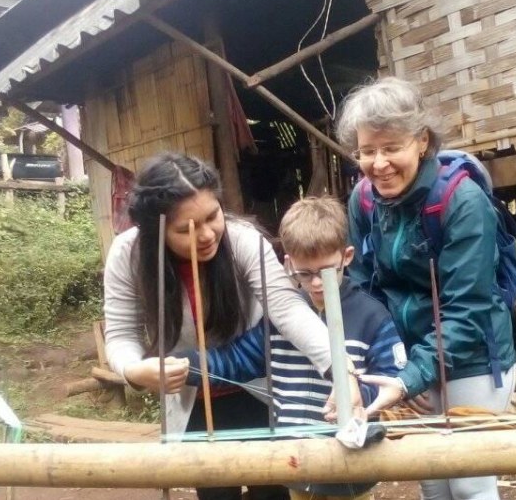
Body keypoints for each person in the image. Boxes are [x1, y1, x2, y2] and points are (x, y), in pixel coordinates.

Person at [102, 152, 334, 500]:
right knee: (215, 493)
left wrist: (336, 363)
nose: (208, 234)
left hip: (260, 390)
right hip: (192, 400)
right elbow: (120, 334)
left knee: (272, 490)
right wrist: (135, 370)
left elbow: (287, 307)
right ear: (155, 230)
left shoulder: (243, 240)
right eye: (186, 229)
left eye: (214, 216)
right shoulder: (127, 255)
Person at [336, 77, 516, 500]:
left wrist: (408, 379)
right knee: (433, 480)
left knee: (470, 483)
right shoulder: (363, 200)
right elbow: (363, 290)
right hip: (411, 361)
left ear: (421, 141)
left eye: (391, 147)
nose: (378, 163)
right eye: (367, 151)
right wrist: (398, 367)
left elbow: (467, 310)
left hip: (472, 360)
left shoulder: (462, 202)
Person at [173, 195, 406, 500]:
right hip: (295, 464)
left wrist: (359, 397)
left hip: (350, 464)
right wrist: (185, 365)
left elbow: (390, 379)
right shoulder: (283, 318)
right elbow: (238, 359)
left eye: (326, 271)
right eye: (305, 273)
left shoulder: (373, 316)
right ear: (287, 263)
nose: (317, 283)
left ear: (347, 256)